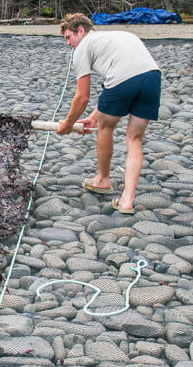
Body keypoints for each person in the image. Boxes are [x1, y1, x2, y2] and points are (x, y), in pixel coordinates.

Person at [57, 13, 161, 215]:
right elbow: (119, 77)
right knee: (134, 138)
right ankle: (127, 200)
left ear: (81, 31)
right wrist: (95, 116)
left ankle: (102, 180)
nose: (68, 44)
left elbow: (82, 97)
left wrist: (69, 124)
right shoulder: (117, 36)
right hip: (152, 78)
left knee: (106, 128)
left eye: (68, 37)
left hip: (124, 79)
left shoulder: (83, 48)